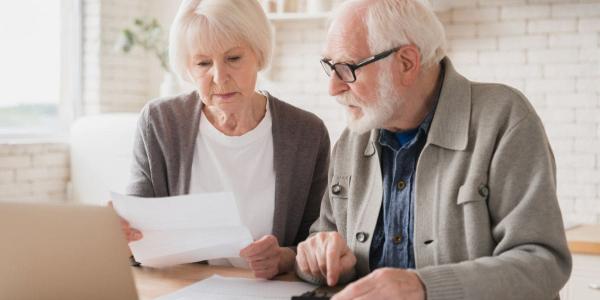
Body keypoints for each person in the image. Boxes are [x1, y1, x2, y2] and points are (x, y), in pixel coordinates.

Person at [295, 0, 572, 299]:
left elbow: (543, 263)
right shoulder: (353, 138)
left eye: (347, 68)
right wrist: (320, 258)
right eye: (330, 67)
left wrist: (423, 287)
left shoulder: (504, 118)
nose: (333, 87)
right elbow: (323, 239)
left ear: (406, 63)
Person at [117, 0, 330, 280]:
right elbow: (136, 236)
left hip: (270, 291)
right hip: (184, 290)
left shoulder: (306, 133)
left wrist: (284, 258)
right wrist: (122, 235)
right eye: (203, 63)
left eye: (233, 58)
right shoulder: (159, 123)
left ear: (259, 53)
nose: (219, 76)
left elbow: (320, 239)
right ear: (188, 68)